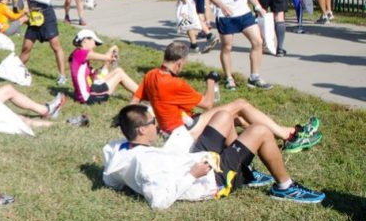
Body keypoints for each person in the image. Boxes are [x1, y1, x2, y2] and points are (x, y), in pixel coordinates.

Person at [103, 104, 326, 209]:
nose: (157, 124)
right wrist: (191, 175)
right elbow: (159, 201)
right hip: (210, 179)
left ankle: (246, 174)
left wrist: (122, 183)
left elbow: (109, 178)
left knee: (223, 116)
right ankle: (285, 187)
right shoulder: (143, 163)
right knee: (260, 131)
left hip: (192, 158)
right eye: (153, 122)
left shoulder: (121, 152)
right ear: (141, 130)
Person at [132, 41, 322, 154]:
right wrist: (210, 81)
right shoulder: (175, 83)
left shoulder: (151, 75)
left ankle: (285, 134)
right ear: (180, 63)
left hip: (171, 130)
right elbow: (208, 104)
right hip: (183, 132)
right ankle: (289, 136)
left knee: (238, 118)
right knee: (240, 104)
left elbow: (136, 98)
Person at [16, 0, 68, 85]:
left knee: (55, 45)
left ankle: (62, 75)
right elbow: (21, 6)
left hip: (46, 14)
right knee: (26, 47)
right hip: (34, 17)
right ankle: (15, 71)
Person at [69, 29, 138, 105]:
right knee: (120, 75)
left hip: (89, 90)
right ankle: (142, 94)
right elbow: (107, 57)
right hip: (89, 97)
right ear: (85, 40)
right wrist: (112, 50)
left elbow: (98, 74)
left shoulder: (77, 53)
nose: (95, 45)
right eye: (94, 42)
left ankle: (140, 92)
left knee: (118, 70)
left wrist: (108, 59)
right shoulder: (81, 53)